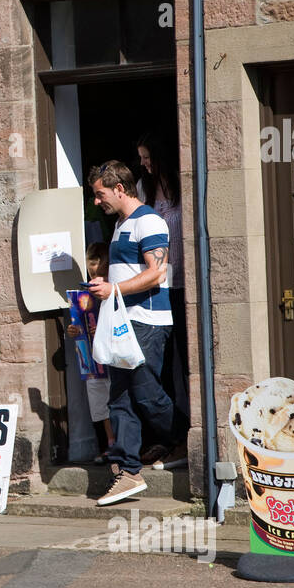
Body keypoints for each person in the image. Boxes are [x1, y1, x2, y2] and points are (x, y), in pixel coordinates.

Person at [87, 160, 182, 505]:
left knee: (143, 394)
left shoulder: (149, 221)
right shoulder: (121, 223)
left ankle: (181, 436)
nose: (97, 202)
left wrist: (113, 290)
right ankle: (128, 470)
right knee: (121, 396)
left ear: (120, 189)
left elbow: (157, 273)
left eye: (100, 194)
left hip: (147, 322)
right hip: (123, 321)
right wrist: (108, 288)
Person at [135, 132, 189, 466]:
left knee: (186, 362)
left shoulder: (184, 182)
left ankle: (185, 436)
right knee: (161, 362)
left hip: (184, 283)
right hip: (158, 287)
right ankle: (168, 437)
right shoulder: (144, 189)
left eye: (147, 157)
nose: (143, 164)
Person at [66, 243, 114, 464]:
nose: (95, 275)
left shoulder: (114, 289)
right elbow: (79, 323)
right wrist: (73, 330)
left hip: (112, 355)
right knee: (98, 401)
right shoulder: (84, 295)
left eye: (99, 273)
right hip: (91, 358)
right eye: (91, 270)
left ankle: (118, 443)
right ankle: (108, 444)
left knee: (115, 397)